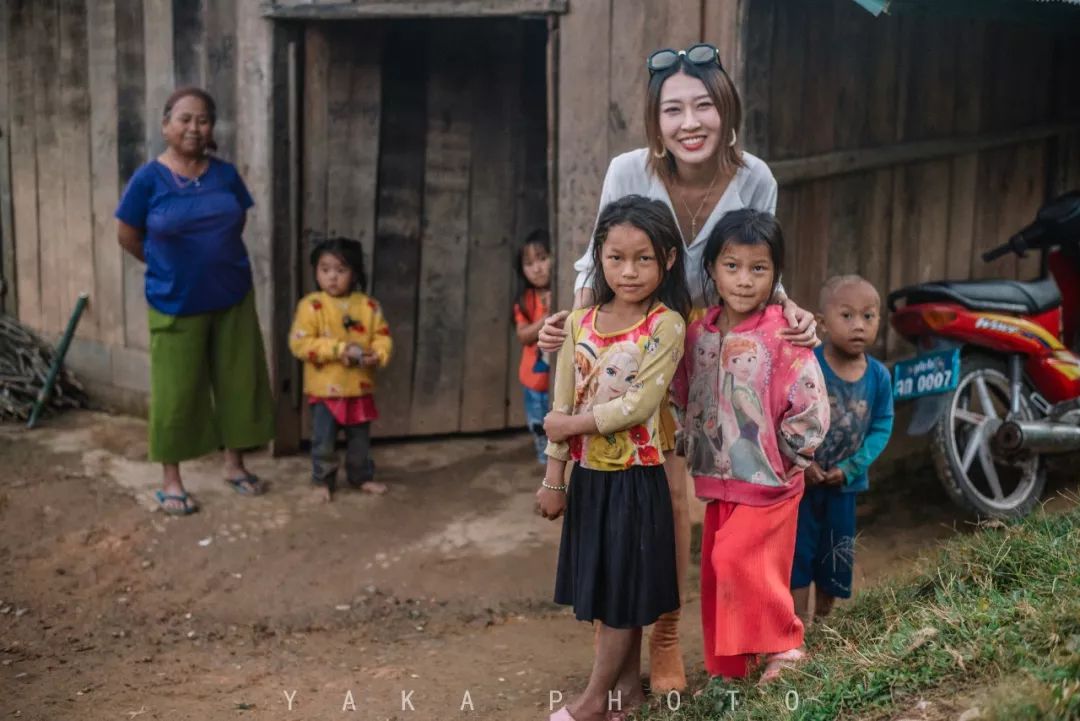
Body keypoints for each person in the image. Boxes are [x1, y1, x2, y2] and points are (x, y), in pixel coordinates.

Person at [537, 42, 817, 692]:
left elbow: (758, 259)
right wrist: (577, 332)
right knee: (648, 486)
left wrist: (790, 309)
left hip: (710, 346)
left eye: (703, 106)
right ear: (655, 120)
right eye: (673, 110)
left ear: (726, 109)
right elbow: (594, 258)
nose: (690, 122)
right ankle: (657, 634)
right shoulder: (627, 169)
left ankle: (709, 630)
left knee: (701, 491)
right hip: (637, 343)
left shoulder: (756, 177)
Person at [537, 196, 690, 721]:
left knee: (625, 590)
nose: (628, 271)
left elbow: (640, 404)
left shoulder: (665, 325)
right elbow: (564, 399)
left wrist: (568, 427)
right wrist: (554, 476)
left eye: (643, 258)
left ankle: (591, 701)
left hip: (635, 476)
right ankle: (627, 694)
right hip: (590, 479)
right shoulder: (579, 322)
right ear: (598, 256)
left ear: (668, 260)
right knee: (605, 588)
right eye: (616, 257)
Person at [671, 208, 830, 684]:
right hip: (719, 480)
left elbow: (811, 403)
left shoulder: (784, 333)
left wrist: (788, 456)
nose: (743, 280)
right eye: (731, 266)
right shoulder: (697, 335)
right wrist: (688, 437)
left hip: (771, 479)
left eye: (758, 268)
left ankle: (784, 645)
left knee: (738, 558)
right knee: (719, 572)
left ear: (775, 275)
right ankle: (733, 667)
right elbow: (682, 392)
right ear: (713, 270)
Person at [116, 86, 274, 516]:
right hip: (174, 300)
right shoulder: (148, 179)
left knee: (238, 380)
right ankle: (171, 480)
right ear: (166, 125)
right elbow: (127, 234)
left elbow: (236, 218)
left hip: (231, 294)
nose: (193, 127)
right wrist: (165, 264)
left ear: (211, 128)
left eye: (202, 119)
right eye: (184, 119)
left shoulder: (224, 175)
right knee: (177, 391)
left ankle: (235, 464)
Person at [791, 275, 894, 625]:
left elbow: (882, 426)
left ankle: (822, 623)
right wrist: (801, 462)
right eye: (847, 316)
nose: (859, 326)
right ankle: (797, 628)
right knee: (799, 555)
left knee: (836, 556)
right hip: (802, 485)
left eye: (869, 316)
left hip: (844, 486)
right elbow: (786, 414)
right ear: (822, 322)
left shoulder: (879, 377)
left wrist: (852, 466)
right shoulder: (808, 365)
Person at [289, 237, 392, 502]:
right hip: (325, 389)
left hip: (359, 387)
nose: (332, 277)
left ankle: (361, 476)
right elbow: (300, 344)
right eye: (325, 269)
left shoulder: (368, 306)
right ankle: (322, 480)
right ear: (316, 272)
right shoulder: (311, 306)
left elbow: (382, 336)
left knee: (360, 441)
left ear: (354, 272)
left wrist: (378, 355)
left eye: (340, 270)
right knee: (323, 440)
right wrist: (338, 350)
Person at [512, 229, 554, 463]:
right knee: (541, 433)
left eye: (542, 258)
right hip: (534, 383)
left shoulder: (572, 290)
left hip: (563, 384)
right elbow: (523, 335)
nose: (536, 268)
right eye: (528, 263)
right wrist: (547, 316)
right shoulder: (525, 300)